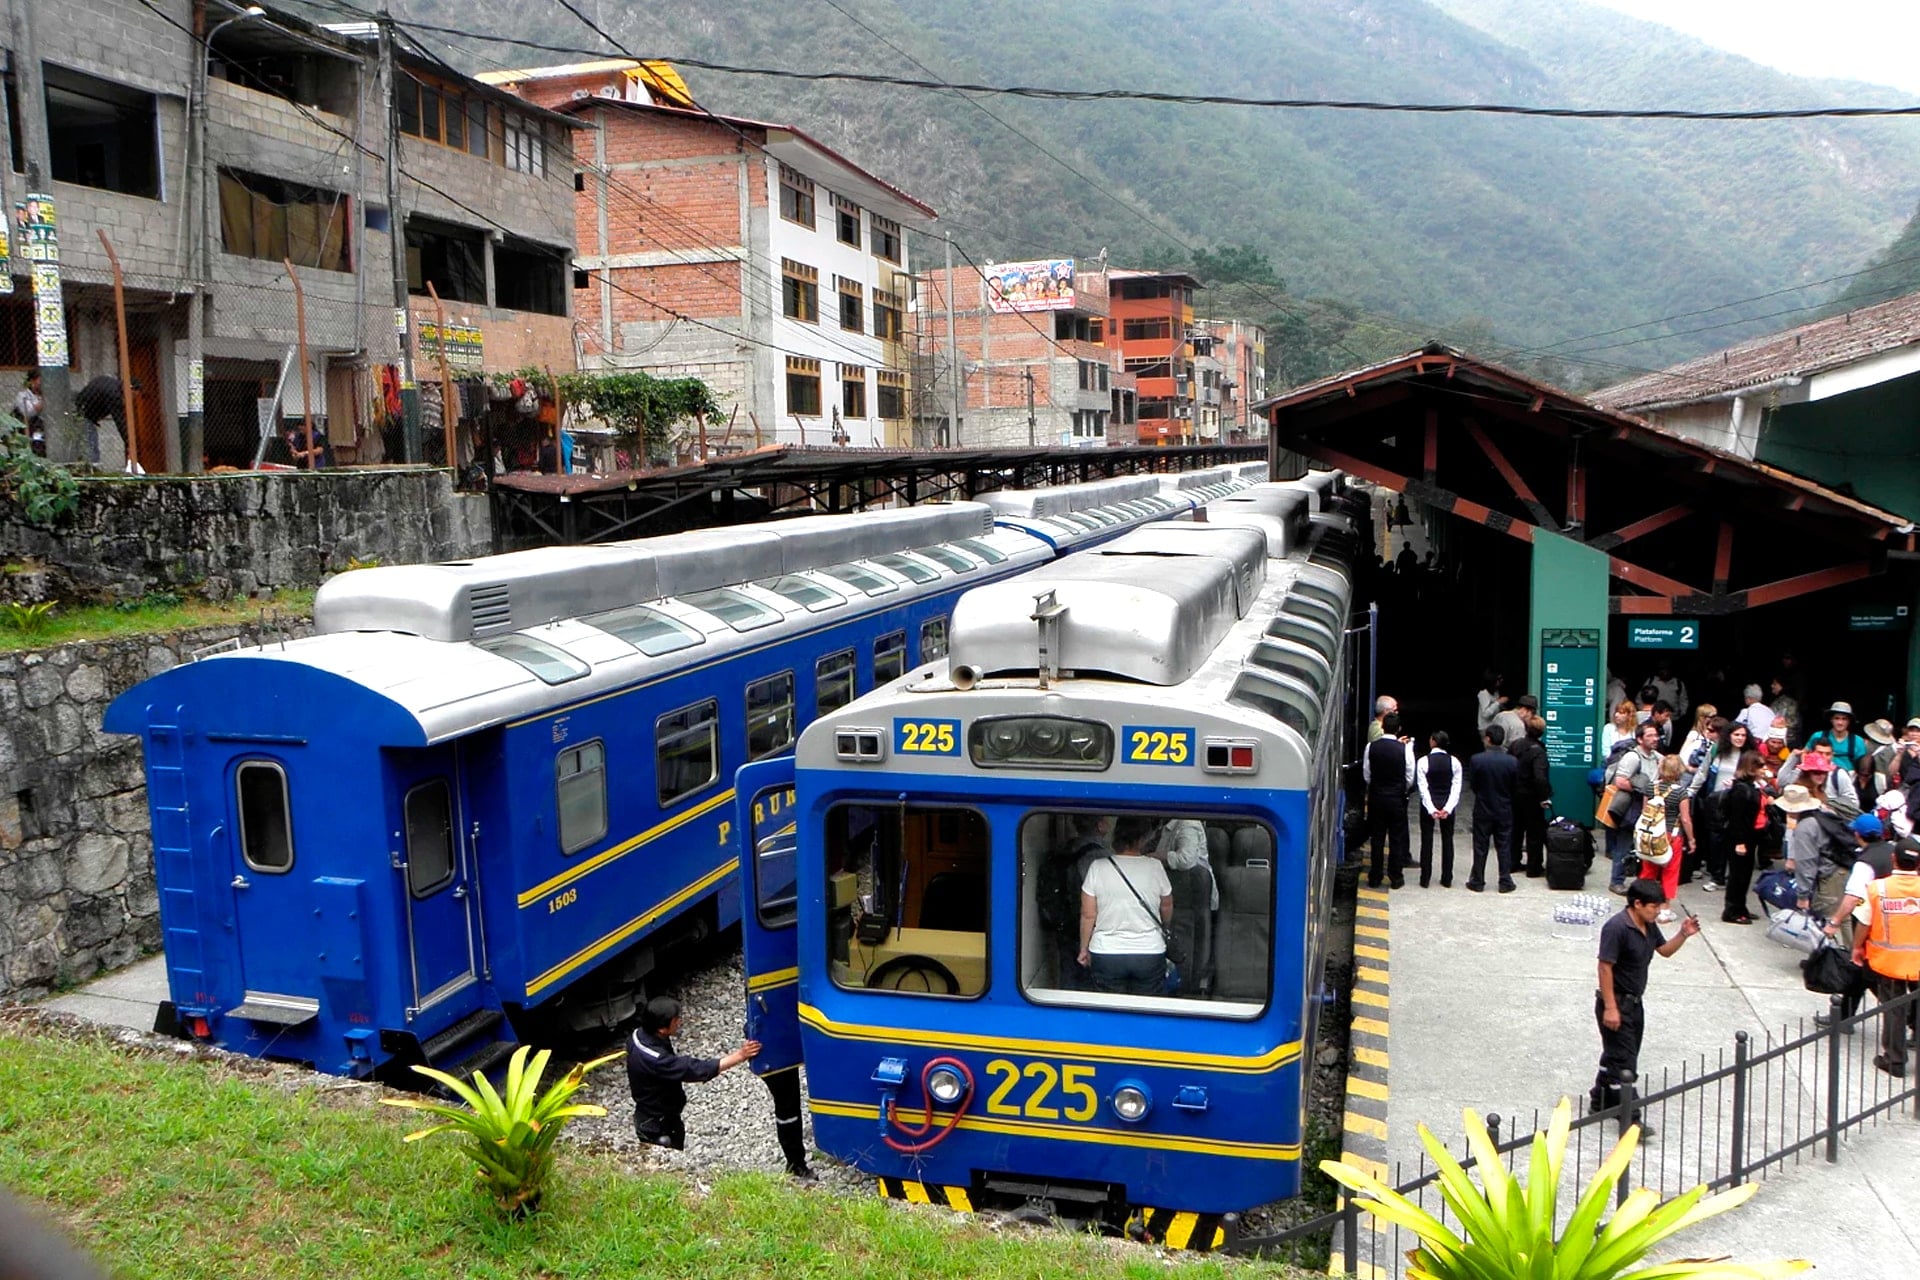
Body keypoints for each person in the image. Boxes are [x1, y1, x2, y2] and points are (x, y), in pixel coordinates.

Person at [1591, 880, 1701, 1130]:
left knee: (1617, 1055)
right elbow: (1605, 967)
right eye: (1654, 907)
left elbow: (1664, 951)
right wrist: (1610, 1007)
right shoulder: (1617, 928)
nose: (1657, 912)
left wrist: (1683, 934)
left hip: (1634, 1004)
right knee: (1625, 1064)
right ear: (1637, 904)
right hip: (1616, 1002)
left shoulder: (1648, 926)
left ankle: (1600, 1098)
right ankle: (1631, 1119)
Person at [626, 996, 761, 1153]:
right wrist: (740, 1056)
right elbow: (694, 1069)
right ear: (662, 1029)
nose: (679, 1022)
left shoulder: (638, 1035)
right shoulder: (656, 1059)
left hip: (654, 1114)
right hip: (658, 1124)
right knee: (667, 1155)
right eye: (676, 1020)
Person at [1077, 815, 1173, 995]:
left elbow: (1088, 914)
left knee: (1110, 1013)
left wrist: (1084, 948)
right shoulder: (1155, 867)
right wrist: (1165, 928)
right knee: (1146, 1010)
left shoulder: (1097, 867)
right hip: (1149, 952)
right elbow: (1166, 905)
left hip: (1106, 952)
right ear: (1143, 839)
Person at [1851, 840, 1920, 1077]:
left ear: (1894, 860)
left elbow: (1863, 923)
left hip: (1890, 962)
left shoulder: (1877, 889)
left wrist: (1857, 947)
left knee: (1894, 1010)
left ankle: (1895, 1060)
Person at [1609, 722, 1664, 893]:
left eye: (1656, 735)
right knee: (1625, 843)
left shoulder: (1658, 757)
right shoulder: (1632, 757)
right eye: (1650, 736)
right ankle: (1616, 881)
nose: (1655, 739)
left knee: (1645, 844)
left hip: (1651, 805)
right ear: (1640, 739)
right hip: (1633, 805)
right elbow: (1620, 781)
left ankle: (1643, 881)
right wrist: (1642, 788)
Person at [1634, 755, 1688, 922]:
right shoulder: (1680, 792)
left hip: (1651, 835)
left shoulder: (1650, 787)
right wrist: (1692, 839)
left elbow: (1645, 811)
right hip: (1672, 835)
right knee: (1670, 872)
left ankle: (1642, 903)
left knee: (1648, 870)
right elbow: (1685, 818)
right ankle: (1664, 909)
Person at [1467, 723, 1519, 893]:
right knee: (1504, 845)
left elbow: (1473, 785)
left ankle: (1478, 880)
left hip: (1483, 807)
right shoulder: (1512, 761)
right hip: (1504, 808)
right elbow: (1514, 787)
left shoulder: (1477, 759)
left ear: (1488, 739)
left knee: (1480, 845)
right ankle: (1505, 880)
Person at [1363, 712, 1414, 889]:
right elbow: (1409, 776)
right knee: (1396, 838)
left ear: (1382, 726)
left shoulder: (1371, 747)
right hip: (1396, 798)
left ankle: (1375, 876)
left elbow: (1367, 774)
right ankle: (1396, 876)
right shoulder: (1405, 749)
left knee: (1377, 838)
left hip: (1377, 796)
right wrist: (1401, 790)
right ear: (1399, 729)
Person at [1718, 751, 1768, 924]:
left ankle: (1741, 907)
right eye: (1760, 766)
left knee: (1745, 875)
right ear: (1751, 767)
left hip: (1752, 836)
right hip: (1740, 838)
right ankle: (1732, 911)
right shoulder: (1740, 789)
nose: (1764, 769)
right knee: (1737, 876)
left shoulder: (1753, 787)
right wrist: (1739, 842)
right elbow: (1736, 818)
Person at [1416, 729, 1462, 888]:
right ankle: (1447, 877)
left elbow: (1423, 788)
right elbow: (1456, 787)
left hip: (1429, 803)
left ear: (1433, 741)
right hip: (1447, 802)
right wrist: (1447, 808)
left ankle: (1425, 878)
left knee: (1426, 840)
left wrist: (1431, 808)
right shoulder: (1455, 762)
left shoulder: (1423, 761)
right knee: (1448, 840)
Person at [1510, 712, 1552, 878]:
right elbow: (1540, 777)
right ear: (1541, 732)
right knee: (1535, 832)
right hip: (1532, 797)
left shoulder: (1515, 745)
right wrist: (1544, 797)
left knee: (1516, 829)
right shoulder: (1539, 752)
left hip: (1515, 794)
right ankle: (1533, 867)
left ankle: (1512, 862)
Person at [1804, 702, 1870, 788]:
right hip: (1819, 779)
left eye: (1844, 719)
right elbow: (1805, 755)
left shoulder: (1858, 741)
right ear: (1831, 719)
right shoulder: (1817, 736)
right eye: (1837, 718)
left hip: (1848, 782)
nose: (1840, 722)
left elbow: (1862, 767)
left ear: (1849, 721)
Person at [72, 374, 130, 466]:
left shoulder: (107, 381)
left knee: (82, 445)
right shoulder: (114, 395)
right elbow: (119, 420)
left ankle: (87, 467)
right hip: (84, 416)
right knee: (91, 447)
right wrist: (128, 442)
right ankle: (92, 471)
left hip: (80, 411)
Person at [1678, 704, 1719, 770]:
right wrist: (1688, 768)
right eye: (1712, 716)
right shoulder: (1694, 734)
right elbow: (1682, 754)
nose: (1715, 719)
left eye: (1716, 715)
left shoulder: (1714, 734)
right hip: (1689, 771)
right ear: (1702, 718)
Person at [1476, 671, 1508, 739]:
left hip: (1495, 726)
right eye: (1498, 680)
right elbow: (1485, 714)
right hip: (1486, 728)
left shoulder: (1496, 692)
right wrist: (1498, 702)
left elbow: (1496, 709)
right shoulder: (1483, 694)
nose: (1501, 681)